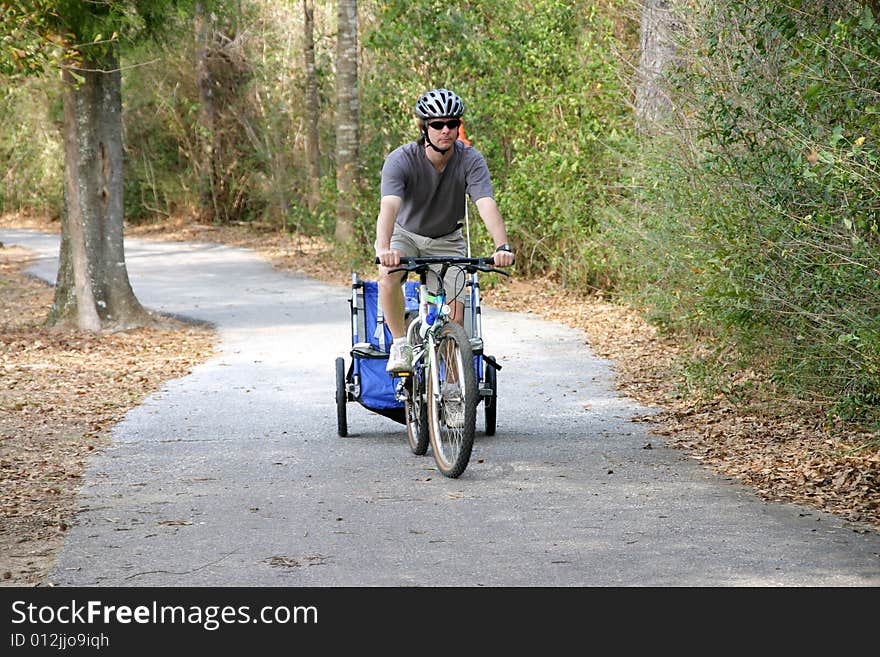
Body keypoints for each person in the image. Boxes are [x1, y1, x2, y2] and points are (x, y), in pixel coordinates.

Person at [375, 88, 515, 374]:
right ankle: (400, 342)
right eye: (437, 124)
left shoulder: (470, 160)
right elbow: (389, 207)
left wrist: (502, 246)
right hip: (407, 235)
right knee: (387, 275)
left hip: (447, 240)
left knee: (455, 319)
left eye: (453, 124)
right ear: (424, 127)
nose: (446, 130)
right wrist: (383, 249)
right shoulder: (401, 159)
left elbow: (485, 203)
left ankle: (454, 391)